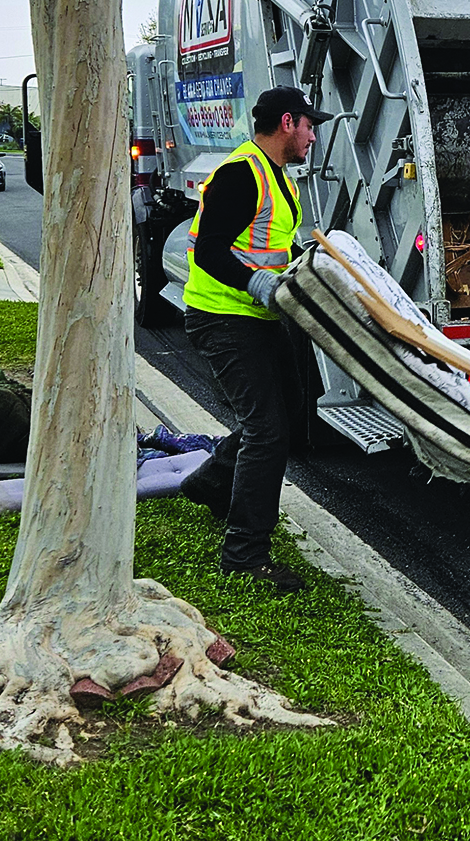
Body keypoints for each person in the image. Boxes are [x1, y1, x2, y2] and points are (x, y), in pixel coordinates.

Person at [179, 85, 331, 587]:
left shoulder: (277, 175)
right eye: (311, 125)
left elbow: (270, 245)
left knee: (284, 417)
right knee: (267, 431)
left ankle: (210, 484)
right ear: (288, 123)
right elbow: (207, 252)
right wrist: (256, 281)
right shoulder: (242, 174)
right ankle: (245, 555)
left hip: (257, 315)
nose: (313, 136)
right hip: (222, 317)